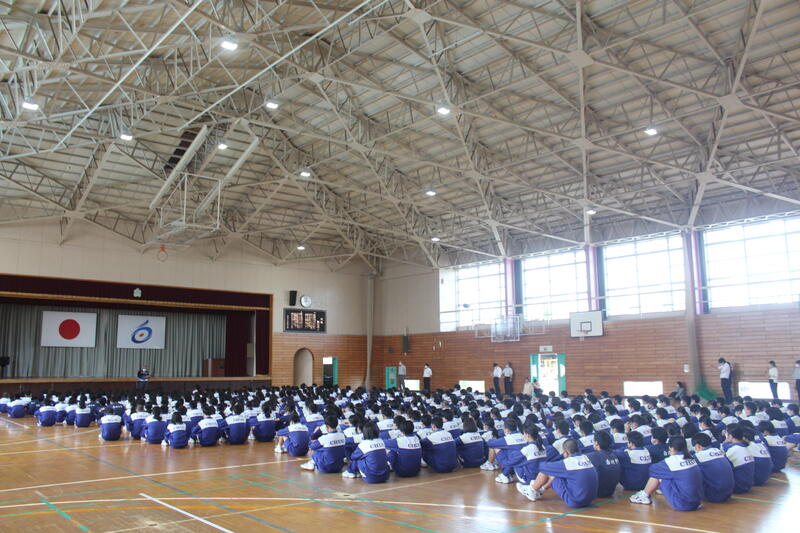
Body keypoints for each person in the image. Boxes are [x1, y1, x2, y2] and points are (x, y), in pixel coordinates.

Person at [518, 439, 598, 507]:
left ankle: (531, 490)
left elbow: (543, 466)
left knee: (547, 471)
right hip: (590, 500)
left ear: (566, 452)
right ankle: (540, 490)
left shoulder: (568, 463)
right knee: (558, 473)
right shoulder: (586, 458)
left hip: (575, 501)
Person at [629, 437, 703, 511]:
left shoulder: (671, 461)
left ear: (672, 448)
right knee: (670, 474)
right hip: (697, 502)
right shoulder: (691, 458)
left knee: (659, 475)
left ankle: (644, 495)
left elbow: (652, 469)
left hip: (683, 504)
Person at [691, 433, 734, 503]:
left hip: (714, 495)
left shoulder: (697, 457)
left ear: (698, 446)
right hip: (729, 491)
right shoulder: (719, 451)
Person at [586, 431, 621, 498]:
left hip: (598, 493)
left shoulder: (593, 456)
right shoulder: (614, 454)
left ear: (596, 443)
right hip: (611, 491)